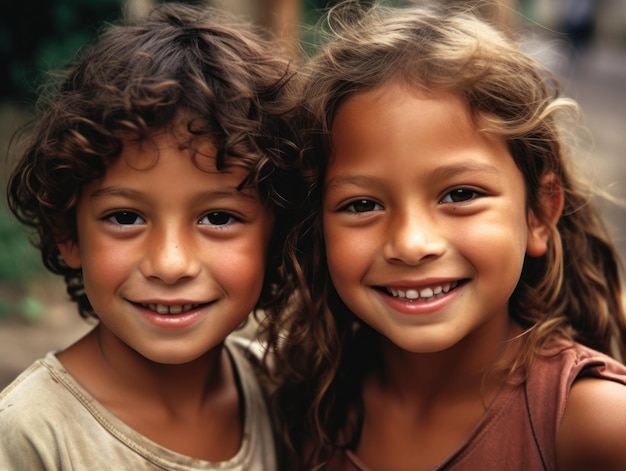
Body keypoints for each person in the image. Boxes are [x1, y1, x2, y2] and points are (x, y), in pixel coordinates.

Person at [269, 2, 626, 470]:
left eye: (460, 194)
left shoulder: (594, 424)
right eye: (362, 205)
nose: (412, 244)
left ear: (539, 212)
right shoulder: (305, 402)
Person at [2, 3, 298, 470]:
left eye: (218, 218)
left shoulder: (282, 391)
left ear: (277, 234)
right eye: (125, 217)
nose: (170, 263)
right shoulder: (32, 436)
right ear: (68, 234)